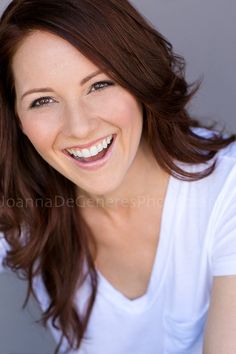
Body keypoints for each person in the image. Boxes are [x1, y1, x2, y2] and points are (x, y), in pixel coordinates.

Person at [0, 0, 236, 353]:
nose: (79, 128)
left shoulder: (225, 190)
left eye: (98, 85)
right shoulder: (23, 200)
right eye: (43, 101)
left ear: (137, 78)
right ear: (16, 118)